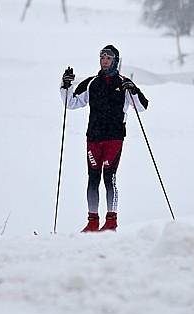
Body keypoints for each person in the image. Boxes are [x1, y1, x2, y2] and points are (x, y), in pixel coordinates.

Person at [60, 45, 149, 232]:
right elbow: (71, 103)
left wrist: (133, 90)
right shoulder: (92, 83)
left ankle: (111, 222)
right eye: (102, 57)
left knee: (109, 178)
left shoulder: (124, 83)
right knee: (93, 178)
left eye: (108, 58)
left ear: (115, 60)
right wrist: (66, 85)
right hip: (93, 137)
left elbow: (142, 107)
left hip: (114, 138)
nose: (104, 60)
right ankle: (92, 222)